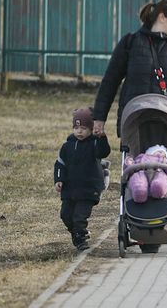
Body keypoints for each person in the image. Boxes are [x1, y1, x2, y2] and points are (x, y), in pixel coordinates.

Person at [93, 0, 167, 243]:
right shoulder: (131, 43)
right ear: (162, 16)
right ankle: (137, 219)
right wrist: (99, 117)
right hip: (135, 121)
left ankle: (165, 216)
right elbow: (110, 81)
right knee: (135, 166)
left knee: (165, 166)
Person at [54, 108, 111, 251]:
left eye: (84, 128)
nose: (79, 131)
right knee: (65, 215)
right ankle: (77, 234)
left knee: (79, 218)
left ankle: (81, 239)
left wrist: (102, 137)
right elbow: (60, 164)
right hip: (70, 189)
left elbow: (104, 152)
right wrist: (59, 179)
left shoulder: (94, 144)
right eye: (76, 128)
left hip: (88, 189)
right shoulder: (67, 146)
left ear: (91, 129)